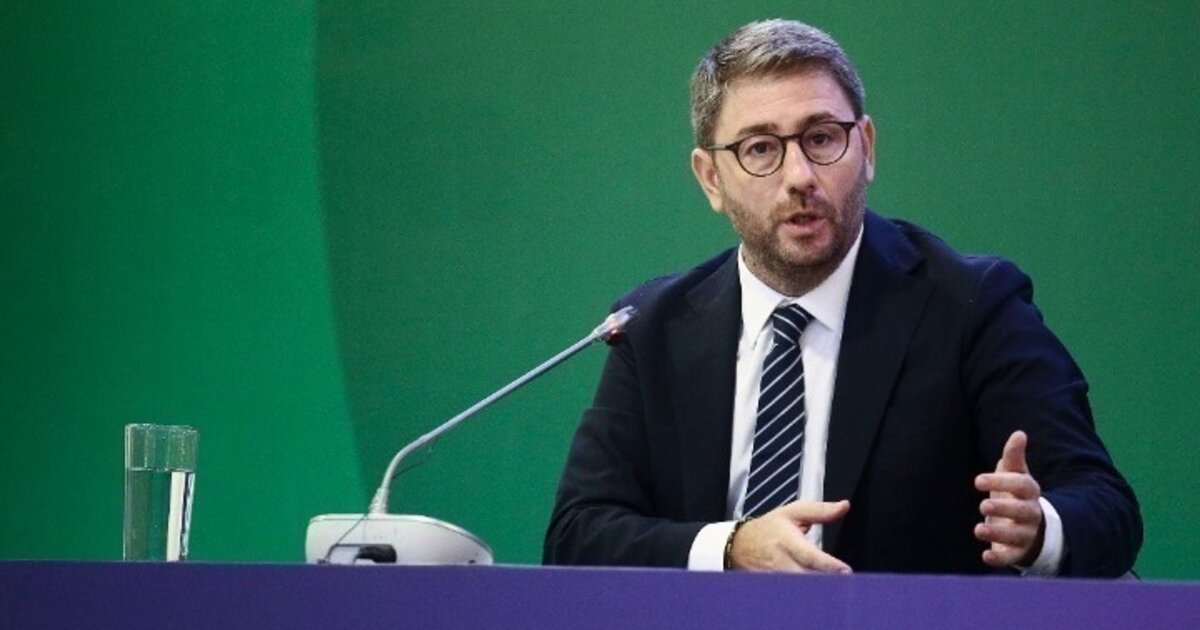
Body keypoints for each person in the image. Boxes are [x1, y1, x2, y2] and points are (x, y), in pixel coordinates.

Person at [542, 19, 1141, 576]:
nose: (800, 176)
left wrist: (1039, 531)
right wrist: (730, 548)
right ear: (711, 179)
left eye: (822, 138)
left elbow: (1105, 506)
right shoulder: (654, 327)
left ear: (867, 148)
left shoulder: (970, 307)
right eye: (760, 148)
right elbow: (578, 534)